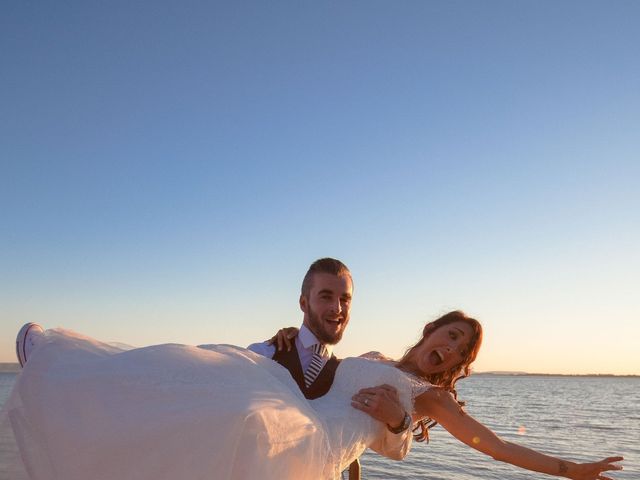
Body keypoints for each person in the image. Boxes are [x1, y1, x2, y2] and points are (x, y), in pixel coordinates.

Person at [2, 312, 623, 480]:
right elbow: (316, 374)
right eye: (448, 332)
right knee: (206, 373)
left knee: (238, 419)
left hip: (311, 447)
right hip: (291, 410)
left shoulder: (431, 400)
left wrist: (569, 469)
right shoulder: (374, 358)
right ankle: (64, 365)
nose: (449, 347)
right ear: (430, 330)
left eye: (460, 348)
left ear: (458, 364)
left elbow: (490, 446)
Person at [242, 258, 411, 462]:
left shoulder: (351, 376)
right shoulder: (262, 356)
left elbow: (395, 451)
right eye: (326, 297)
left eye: (345, 299)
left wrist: (398, 420)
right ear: (304, 303)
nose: (337, 308)